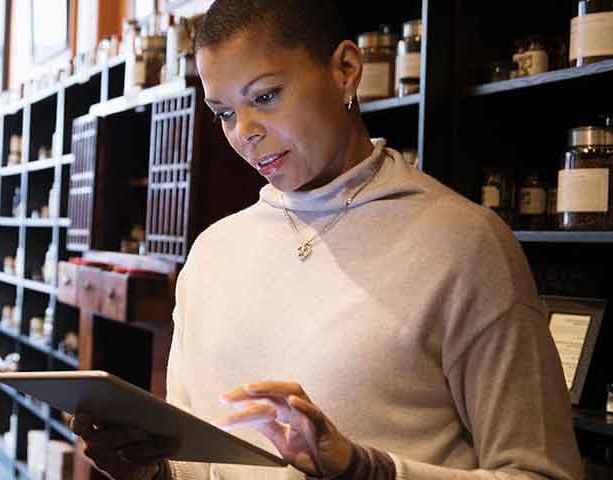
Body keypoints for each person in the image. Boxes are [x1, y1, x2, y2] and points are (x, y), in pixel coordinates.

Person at [71, 1, 581, 479]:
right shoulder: (211, 253)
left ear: (345, 70)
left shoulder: (466, 244)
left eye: (266, 96)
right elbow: (201, 461)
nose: (244, 131)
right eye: (224, 112)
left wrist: (364, 468)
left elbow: (540, 472)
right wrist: (156, 471)